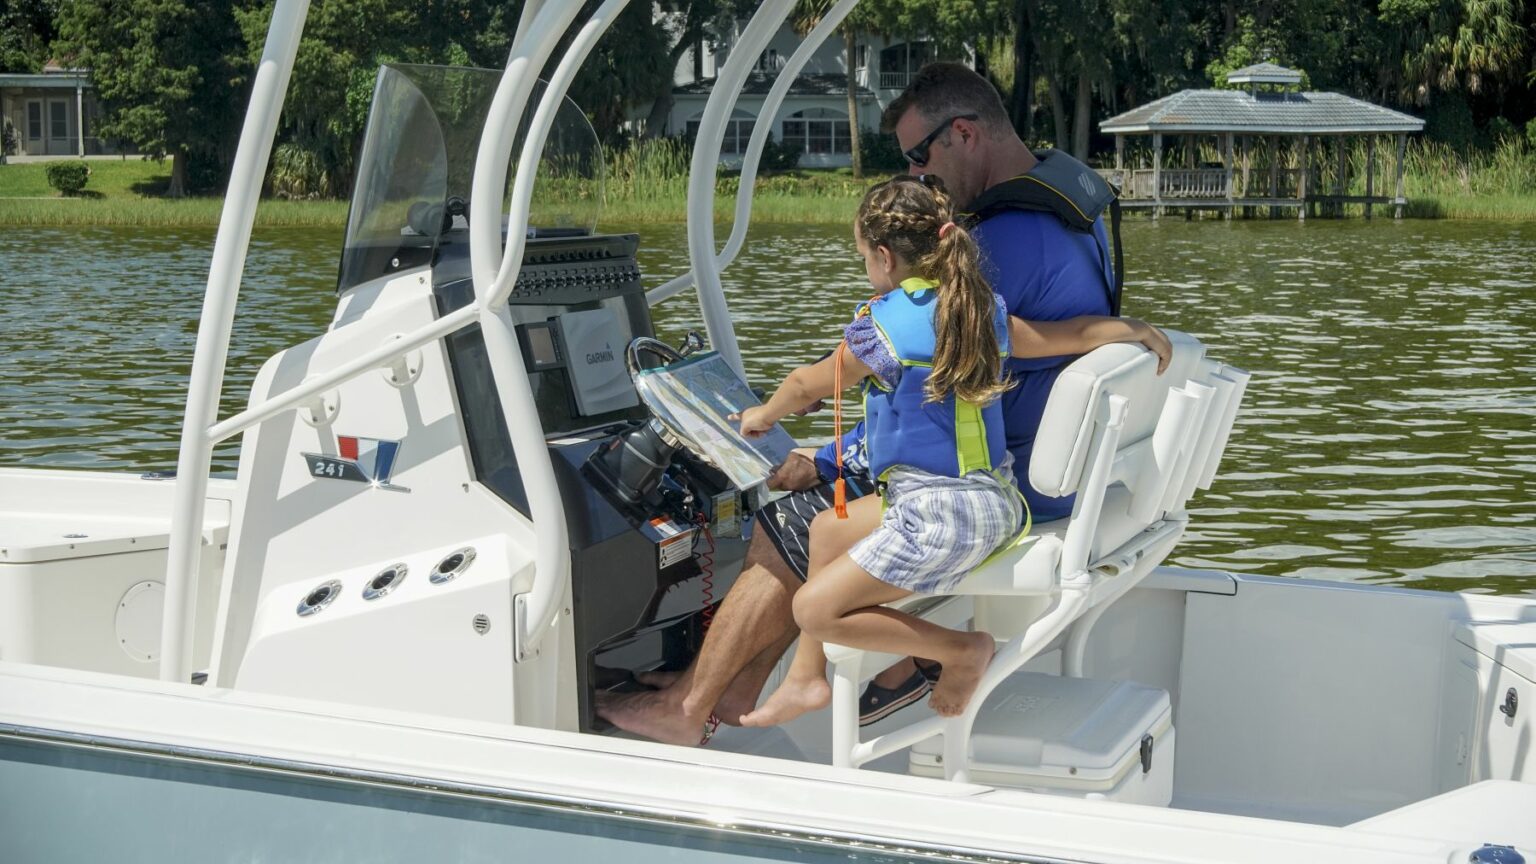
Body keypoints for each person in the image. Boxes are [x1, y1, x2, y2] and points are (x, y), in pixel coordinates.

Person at [595, 62, 1167, 744]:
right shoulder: (1050, 223)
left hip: (972, 483)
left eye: (919, 157)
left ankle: (691, 708)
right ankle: (742, 685)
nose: (920, 174)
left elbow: (842, 383)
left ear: (962, 134)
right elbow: (1020, 346)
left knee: (791, 515)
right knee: (822, 520)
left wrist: (821, 453)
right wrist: (1125, 329)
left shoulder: (999, 247)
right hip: (1011, 473)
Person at [726, 174, 1024, 725]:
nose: (866, 269)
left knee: (812, 608)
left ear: (884, 257)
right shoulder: (979, 307)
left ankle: (962, 651)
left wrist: (761, 416)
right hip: (980, 496)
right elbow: (1051, 338)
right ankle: (804, 678)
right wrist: (1122, 330)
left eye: (863, 257)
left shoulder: (886, 327)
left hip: (946, 515)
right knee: (826, 529)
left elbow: (804, 386)